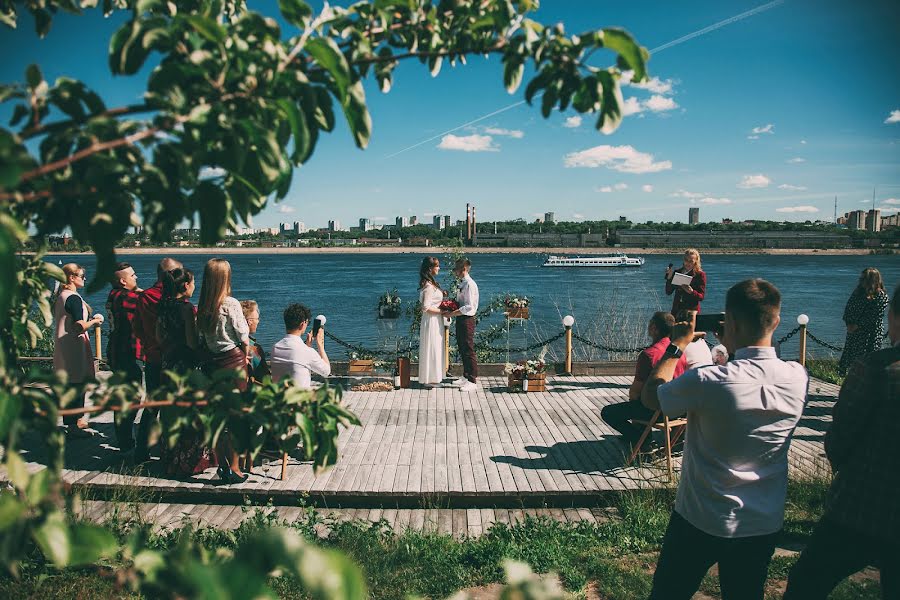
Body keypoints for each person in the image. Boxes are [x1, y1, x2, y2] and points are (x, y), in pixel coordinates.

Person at [640, 279, 809, 600]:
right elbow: (755, 373)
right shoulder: (797, 377)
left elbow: (652, 396)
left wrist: (677, 345)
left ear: (729, 322)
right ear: (775, 320)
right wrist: (733, 345)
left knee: (668, 593)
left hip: (700, 516)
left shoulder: (708, 381)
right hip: (761, 520)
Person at [784, 284, 900, 599]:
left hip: (862, 507)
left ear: (895, 318)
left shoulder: (876, 369)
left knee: (807, 583)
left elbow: (838, 442)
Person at [156, 267, 217, 476]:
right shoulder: (186, 308)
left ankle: (171, 458)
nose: (194, 286)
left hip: (168, 363)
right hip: (186, 366)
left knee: (171, 412)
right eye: (192, 283)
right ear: (185, 286)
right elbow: (192, 342)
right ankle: (192, 461)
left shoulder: (163, 306)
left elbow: (159, 336)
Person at [196, 258, 251, 484]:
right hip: (233, 361)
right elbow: (243, 334)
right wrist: (246, 356)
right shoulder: (230, 304)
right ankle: (235, 468)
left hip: (213, 363)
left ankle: (223, 464)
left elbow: (202, 337)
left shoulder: (204, 306)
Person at [600, 312, 687, 453]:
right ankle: (651, 437)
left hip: (655, 410)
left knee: (608, 412)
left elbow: (635, 391)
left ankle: (641, 438)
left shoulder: (649, 354)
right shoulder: (680, 353)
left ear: (654, 328)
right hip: (677, 409)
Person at [132, 257, 183, 461]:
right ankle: (171, 453)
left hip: (152, 357)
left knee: (152, 405)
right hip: (173, 358)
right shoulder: (173, 298)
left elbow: (136, 327)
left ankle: (142, 449)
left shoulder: (144, 297)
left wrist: (146, 344)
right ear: (171, 274)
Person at [53, 263, 104, 437]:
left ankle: (75, 420)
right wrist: (95, 322)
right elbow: (79, 326)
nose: (84, 279)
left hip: (63, 345)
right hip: (75, 346)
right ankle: (74, 426)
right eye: (82, 276)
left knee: (71, 384)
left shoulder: (61, 296)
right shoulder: (73, 298)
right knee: (77, 383)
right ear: (71, 278)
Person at [105, 262, 145, 452]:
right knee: (130, 398)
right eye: (132, 275)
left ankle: (124, 438)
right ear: (122, 281)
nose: (135, 278)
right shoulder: (125, 298)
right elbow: (146, 302)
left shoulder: (114, 295)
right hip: (125, 352)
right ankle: (126, 441)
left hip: (115, 350)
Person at [838, 267, 889, 375]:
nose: (860, 281)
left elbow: (875, 315)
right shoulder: (858, 293)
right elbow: (849, 307)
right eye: (860, 278)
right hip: (854, 333)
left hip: (870, 334)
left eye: (864, 279)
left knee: (867, 362)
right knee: (851, 360)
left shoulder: (881, 296)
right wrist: (849, 323)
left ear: (872, 280)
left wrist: (858, 325)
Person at [270, 303, 331, 389]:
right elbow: (326, 371)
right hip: (300, 400)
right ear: (302, 324)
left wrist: (308, 346)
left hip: (279, 399)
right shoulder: (307, 352)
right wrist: (320, 345)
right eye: (307, 322)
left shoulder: (275, 348)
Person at [443, 258, 480, 392]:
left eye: (456, 269)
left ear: (463, 269)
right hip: (461, 318)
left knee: (468, 348)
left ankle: (472, 379)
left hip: (467, 319)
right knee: (462, 347)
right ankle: (466, 375)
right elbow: (460, 302)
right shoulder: (463, 283)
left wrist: (452, 314)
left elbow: (469, 306)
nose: (455, 272)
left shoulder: (470, 284)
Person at [417, 257, 445, 388]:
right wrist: (442, 311)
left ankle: (433, 377)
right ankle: (429, 379)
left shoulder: (431, 284)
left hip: (435, 320)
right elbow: (426, 307)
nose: (439, 268)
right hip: (431, 320)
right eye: (437, 266)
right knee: (432, 347)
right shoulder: (428, 286)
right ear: (430, 268)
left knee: (435, 347)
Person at [664, 248, 706, 315]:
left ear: (696, 261)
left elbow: (701, 297)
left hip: (691, 312)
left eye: (691, 261)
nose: (688, 263)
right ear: (683, 260)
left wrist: (692, 292)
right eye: (686, 260)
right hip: (676, 311)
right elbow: (668, 292)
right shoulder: (677, 272)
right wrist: (669, 278)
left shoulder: (700, 275)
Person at [240, 300, 270, 382]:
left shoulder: (231, 343)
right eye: (257, 318)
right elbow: (264, 378)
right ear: (249, 321)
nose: (258, 321)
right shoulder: (254, 349)